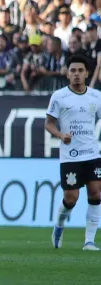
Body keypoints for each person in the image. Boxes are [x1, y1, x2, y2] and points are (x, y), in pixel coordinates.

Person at [46, 55, 101, 251]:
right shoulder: (59, 97)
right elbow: (49, 123)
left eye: (80, 71)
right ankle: (59, 226)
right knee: (71, 198)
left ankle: (89, 241)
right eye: (73, 71)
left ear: (86, 73)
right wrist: (61, 135)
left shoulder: (96, 96)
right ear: (67, 74)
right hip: (70, 156)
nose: (76, 74)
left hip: (93, 154)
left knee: (96, 193)